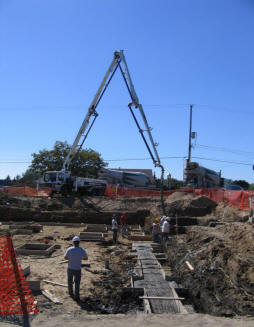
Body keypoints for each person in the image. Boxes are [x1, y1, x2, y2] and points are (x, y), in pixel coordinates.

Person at [64, 236, 88, 301]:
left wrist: (71, 258)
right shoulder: (82, 250)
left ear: (73, 242)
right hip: (78, 269)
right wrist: (80, 258)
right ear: (79, 242)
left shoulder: (69, 249)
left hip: (70, 268)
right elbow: (86, 258)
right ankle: (76, 295)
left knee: (70, 281)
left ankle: (71, 293)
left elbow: (65, 258)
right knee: (77, 282)